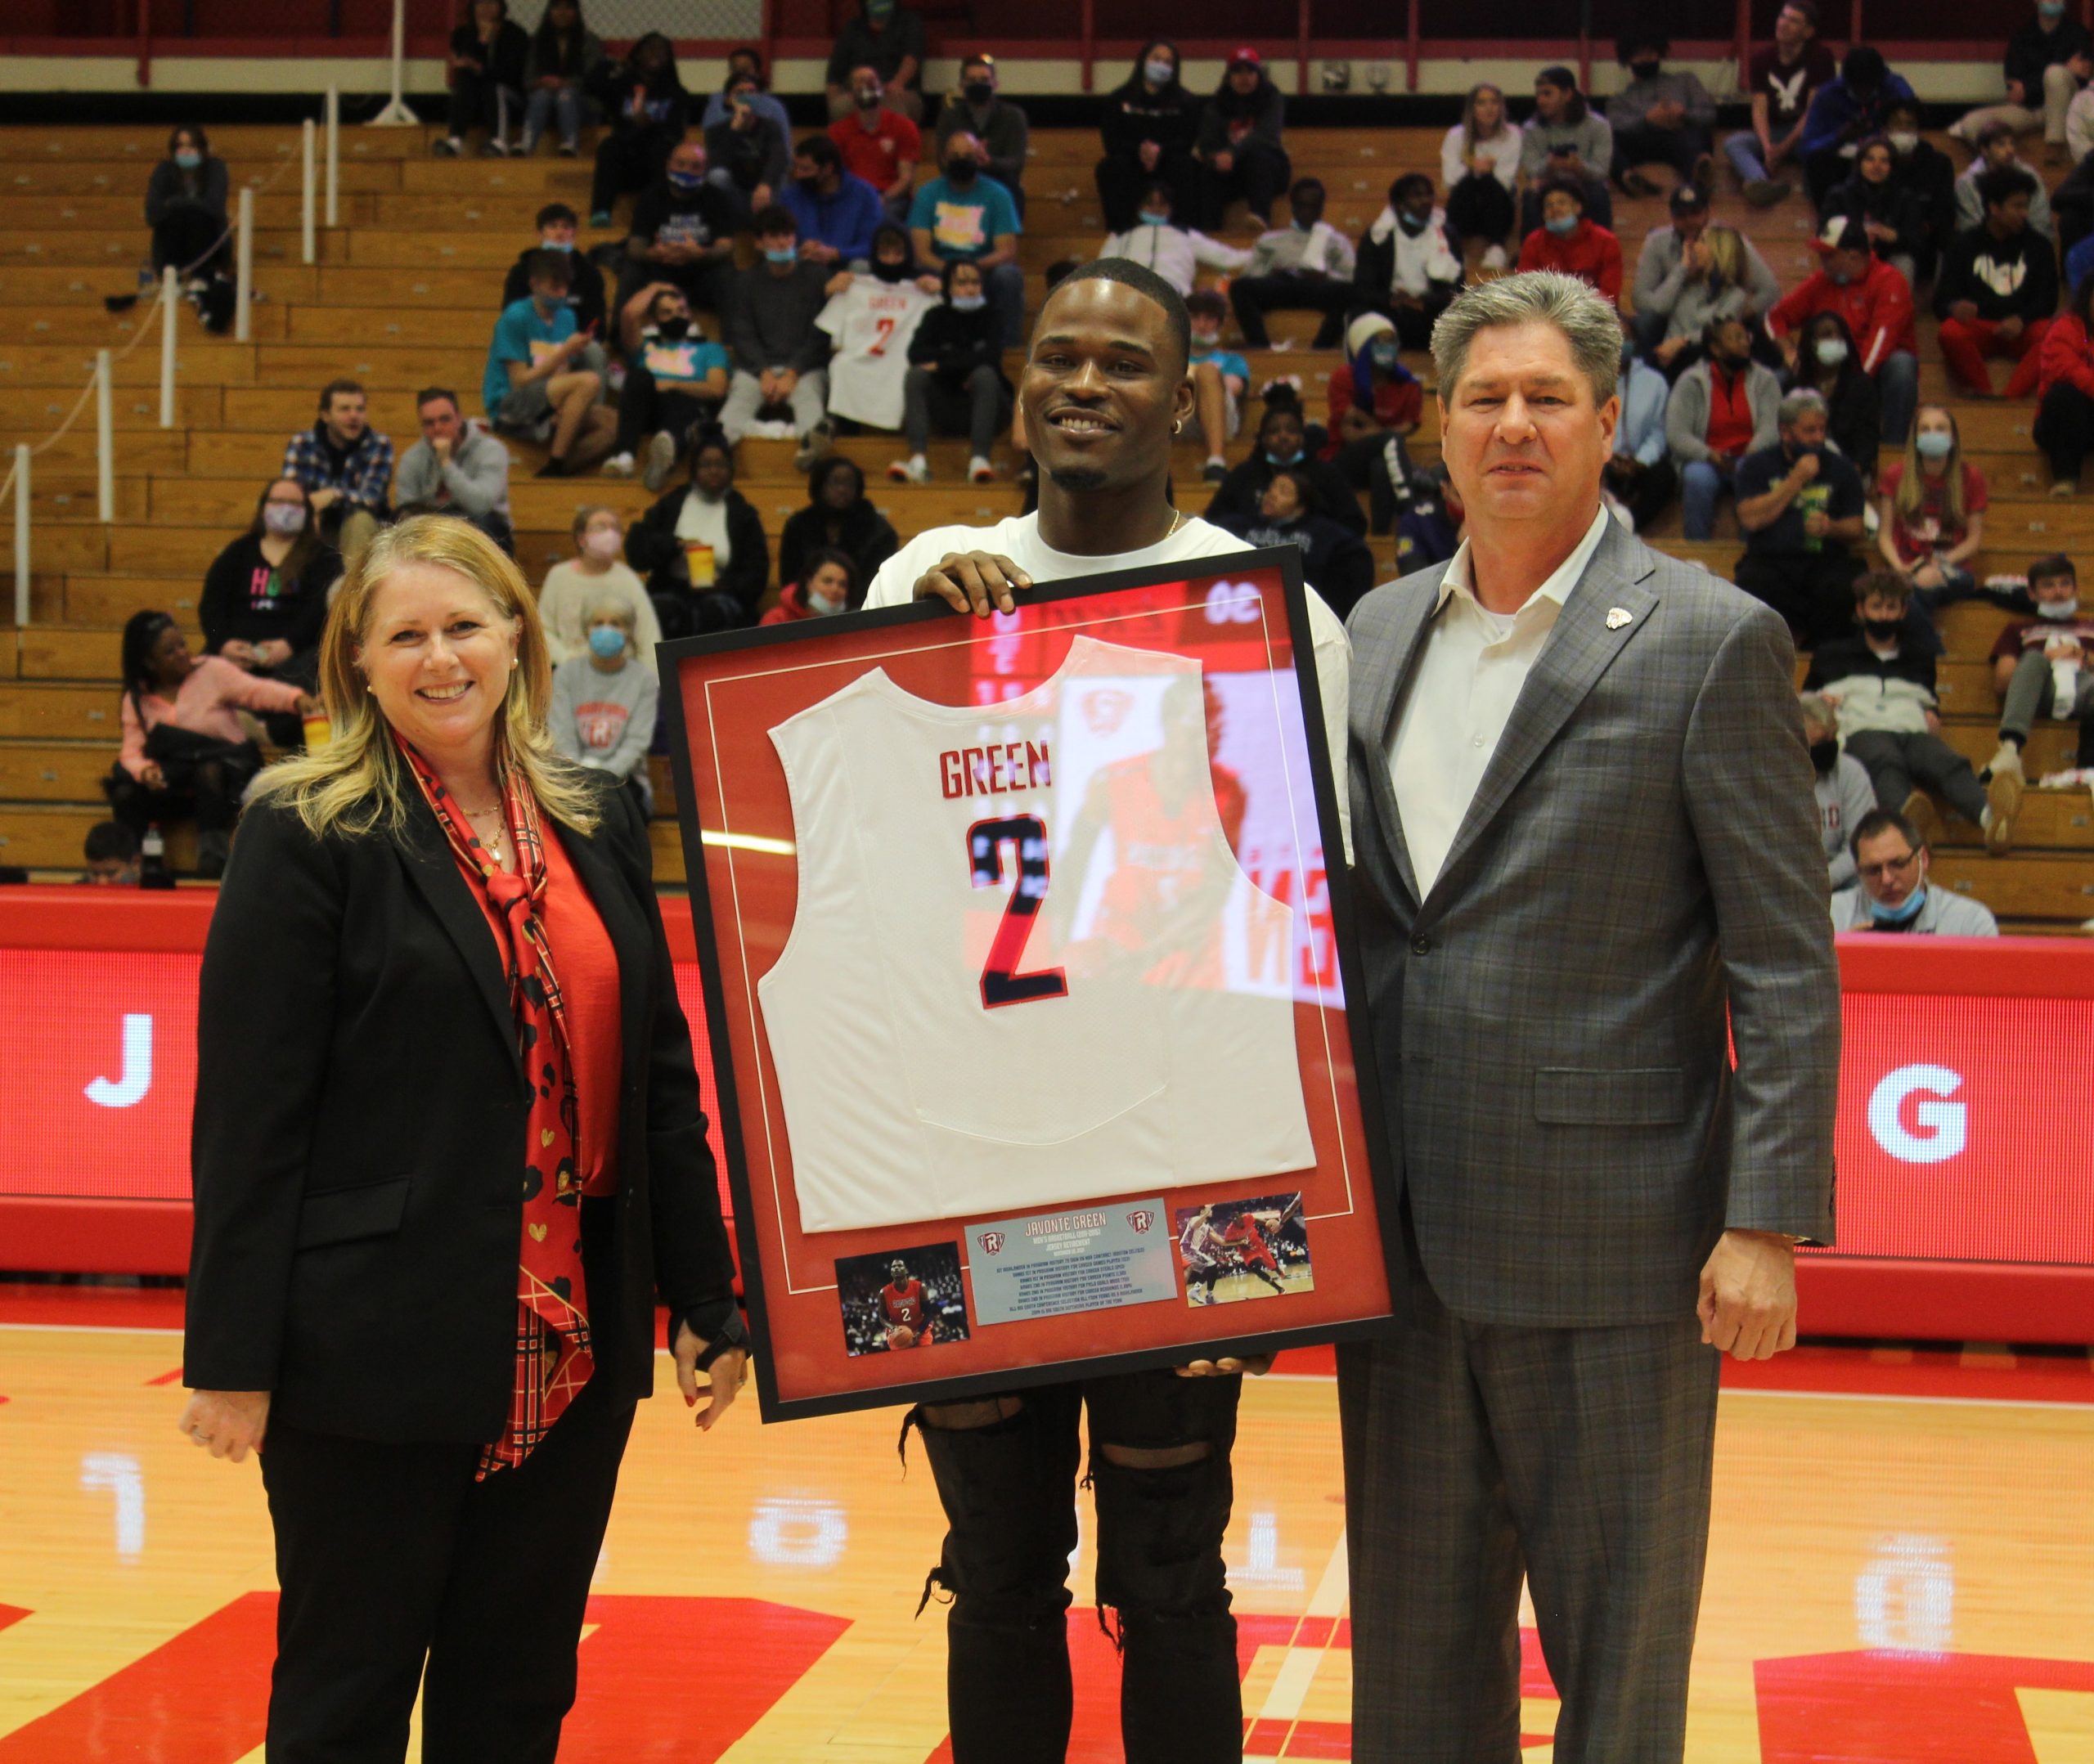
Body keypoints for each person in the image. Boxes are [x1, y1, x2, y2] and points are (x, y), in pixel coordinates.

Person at [861, 256, 1352, 1764]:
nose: (1086, 384)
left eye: (1125, 364)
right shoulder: (920, 582)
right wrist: (920, 656)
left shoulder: (1264, 615)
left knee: (1169, 1569)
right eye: (1058, 356)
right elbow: (865, 904)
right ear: (1017, 386)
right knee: (998, 1573)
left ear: (1188, 401)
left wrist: (1256, 1207)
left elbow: (1287, 920)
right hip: (966, 1162)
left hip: (1170, 1166)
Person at [1341, 267, 1836, 1762]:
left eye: (1547, 397)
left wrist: (1767, 1220)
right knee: (1414, 1684)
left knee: (1619, 1686)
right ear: (1436, 428)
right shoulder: (1365, 632)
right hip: (1402, 1244)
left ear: (1608, 423)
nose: (1512, 425)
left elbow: (1785, 961)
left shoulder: (1708, 638)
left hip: (1620, 1250)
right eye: (1482, 398)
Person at [177, 516, 747, 1758]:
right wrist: (230, 1355)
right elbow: (248, 1119)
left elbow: (659, 1078)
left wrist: (708, 1293)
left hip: (575, 1335)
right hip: (370, 1341)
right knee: (350, 1690)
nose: (441, 658)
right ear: (359, 665)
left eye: (465, 626)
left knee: (517, 1688)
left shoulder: (595, 810)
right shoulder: (305, 827)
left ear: (517, 641)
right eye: (406, 635)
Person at [104, 610, 316, 878]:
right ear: (148, 662)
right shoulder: (137, 699)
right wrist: (145, 771)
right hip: (175, 777)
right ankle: (132, 864)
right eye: (169, 652)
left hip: (226, 772)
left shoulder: (211, 671)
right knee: (125, 792)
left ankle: (213, 862)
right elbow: (131, 753)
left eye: (182, 644)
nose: (182, 653)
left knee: (209, 771)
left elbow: (256, 691)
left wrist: (296, 699)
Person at [1801, 570, 2000, 851]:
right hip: (1862, 730)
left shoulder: (1920, 657)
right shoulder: (1831, 655)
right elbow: (1806, 705)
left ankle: (1991, 819)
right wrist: (1824, 703)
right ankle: (1907, 835)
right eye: (1877, 607)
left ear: (1904, 610)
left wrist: (1934, 714)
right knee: (1885, 759)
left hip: (1912, 730)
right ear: (1861, 609)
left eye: (1891, 607)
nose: (1883, 615)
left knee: (1945, 760)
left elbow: (1929, 701)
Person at [1765, 213, 1917, 448]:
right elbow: (1774, 317)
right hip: (1824, 369)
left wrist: (1848, 385)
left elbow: (1880, 344)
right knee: (1775, 379)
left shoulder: (1889, 281)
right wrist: (1788, 351)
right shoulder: (1822, 280)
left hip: (1873, 374)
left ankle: (1892, 449)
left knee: (1902, 365)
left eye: (1828, 255)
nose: (1821, 260)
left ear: (1852, 255)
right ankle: (1777, 450)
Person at [199, 479, 341, 724]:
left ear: (306, 511)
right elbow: (211, 605)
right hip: (236, 653)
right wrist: (224, 643)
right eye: (278, 502)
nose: (286, 508)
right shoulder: (237, 553)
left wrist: (288, 645)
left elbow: (320, 610)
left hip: (295, 655)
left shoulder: (323, 558)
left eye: (294, 503)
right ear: (264, 507)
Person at [1734, 387, 1869, 646]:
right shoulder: (1757, 466)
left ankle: (1820, 653)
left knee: (1843, 588)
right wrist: (1796, 480)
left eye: (1822, 430)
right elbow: (1750, 519)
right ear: (1786, 432)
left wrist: (1831, 527)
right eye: (1810, 431)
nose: (1819, 438)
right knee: (1751, 582)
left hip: (1825, 562)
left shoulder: (1842, 469)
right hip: (1771, 562)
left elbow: (1856, 529)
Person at [484, 250, 617, 479]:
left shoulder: (566, 317)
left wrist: (562, 404)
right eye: (555, 287)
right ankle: (556, 460)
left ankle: (560, 467)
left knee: (614, 423)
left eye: (566, 287)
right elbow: (520, 380)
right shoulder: (515, 318)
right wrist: (564, 351)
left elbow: (563, 371)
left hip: (549, 397)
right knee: (589, 380)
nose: (562, 293)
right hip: (510, 403)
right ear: (535, 284)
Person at [1984, 553, 2094, 827]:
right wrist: (2046, 656)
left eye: (2064, 584)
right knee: (2033, 658)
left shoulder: (2091, 628)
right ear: (2032, 594)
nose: (2058, 592)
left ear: (2076, 588)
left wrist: (2081, 653)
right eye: (2048, 586)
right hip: (2039, 693)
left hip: (2087, 691)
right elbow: (2002, 683)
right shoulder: (2019, 630)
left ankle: (2087, 769)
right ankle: (2010, 751)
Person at [718, 207, 834, 463]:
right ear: (759, 243)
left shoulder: (816, 276)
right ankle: (717, 449)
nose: (783, 242)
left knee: (808, 397)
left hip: (805, 368)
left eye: (788, 235)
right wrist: (763, 371)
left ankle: (811, 448)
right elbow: (742, 333)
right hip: (756, 368)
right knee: (738, 401)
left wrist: (793, 372)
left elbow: (820, 333)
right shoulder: (745, 283)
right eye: (774, 236)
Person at [624, 431, 769, 635]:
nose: (713, 471)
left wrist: (721, 586)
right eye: (705, 465)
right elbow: (638, 548)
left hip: (723, 593)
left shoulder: (743, 513)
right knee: (661, 611)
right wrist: (676, 545)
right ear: (694, 469)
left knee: (714, 612)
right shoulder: (672, 503)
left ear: (730, 470)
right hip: (671, 589)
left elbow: (756, 573)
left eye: (720, 465)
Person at [1935, 168, 2059, 397]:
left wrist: (2022, 319)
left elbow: (2048, 300)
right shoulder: (1963, 244)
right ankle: (1985, 393)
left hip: (2021, 328)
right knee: (1950, 332)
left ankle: (2010, 398)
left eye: (2026, 206)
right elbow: (1942, 300)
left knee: (2052, 335)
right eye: (2017, 206)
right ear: (1994, 208)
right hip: (1979, 326)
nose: (2024, 213)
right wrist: (1955, 307)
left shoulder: (2039, 245)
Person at [891, 259, 1011, 485]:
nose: (970, 288)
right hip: (946, 404)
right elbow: (916, 354)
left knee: (984, 374)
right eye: (962, 282)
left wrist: (942, 364)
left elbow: (990, 357)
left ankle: (980, 459)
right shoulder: (936, 316)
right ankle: (918, 459)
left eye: (976, 282)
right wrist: (962, 363)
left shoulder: (993, 316)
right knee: (916, 375)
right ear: (949, 286)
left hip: (990, 407)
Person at [1631, 184, 1781, 363]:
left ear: (1709, 211)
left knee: (1755, 324)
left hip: (1719, 320)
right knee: (1646, 322)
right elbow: (1642, 301)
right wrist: (1682, 272)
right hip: (1673, 319)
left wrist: (1740, 314)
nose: (1689, 221)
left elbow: (1770, 290)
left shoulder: (1728, 241)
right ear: (1672, 217)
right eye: (1681, 215)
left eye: (1695, 213)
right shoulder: (1657, 242)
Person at [816, 224, 941, 435]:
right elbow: (825, 329)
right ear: (875, 254)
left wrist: (943, 288)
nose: (891, 260)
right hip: (862, 357)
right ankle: (843, 431)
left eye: (898, 253)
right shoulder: (854, 286)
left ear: (908, 253)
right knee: (841, 366)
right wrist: (825, 292)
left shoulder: (923, 289)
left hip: (902, 359)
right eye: (885, 254)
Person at [1666, 315, 1782, 539]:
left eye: (1745, 337)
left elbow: (1772, 427)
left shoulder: (1765, 380)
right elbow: (1677, 433)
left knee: (1751, 473)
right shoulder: (1691, 381)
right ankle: (1697, 553)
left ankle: (1751, 550)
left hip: (1751, 456)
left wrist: (1752, 451)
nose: (1745, 342)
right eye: (1735, 338)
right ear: (1716, 349)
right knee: (1696, 478)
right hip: (1707, 460)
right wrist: (1709, 454)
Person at [1208, 465, 1375, 617]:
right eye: (1271, 488)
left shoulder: (1322, 532)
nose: (1272, 495)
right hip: (1242, 607)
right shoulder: (1238, 525)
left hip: (1303, 613)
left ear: (1301, 504)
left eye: (1284, 491)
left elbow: (1358, 559)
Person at [603, 289, 729, 489]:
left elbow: (717, 389)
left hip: (687, 406)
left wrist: (674, 384)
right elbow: (629, 314)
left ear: (690, 314)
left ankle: (664, 455)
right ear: (654, 320)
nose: (676, 316)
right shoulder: (644, 347)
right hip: (649, 409)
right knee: (639, 375)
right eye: (667, 312)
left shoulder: (710, 349)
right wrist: (656, 286)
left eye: (681, 310)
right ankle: (625, 456)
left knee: (684, 403)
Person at [1875, 407, 1988, 618]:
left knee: (1918, 587)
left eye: (1940, 428)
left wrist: (1938, 563)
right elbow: (1884, 535)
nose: (1932, 434)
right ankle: (1932, 649)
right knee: (1906, 589)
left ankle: (1926, 649)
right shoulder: (1895, 474)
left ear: (1953, 437)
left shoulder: (1971, 476)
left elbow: (1973, 540)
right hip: (1905, 566)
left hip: (1954, 567)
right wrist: (1900, 567)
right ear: (1915, 437)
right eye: (1925, 429)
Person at [550, 595, 659, 815]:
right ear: (586, 629)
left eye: (615, 624)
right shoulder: (566, 675)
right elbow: (561, 736)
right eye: (598, 624)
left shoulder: (643, 680)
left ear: (628, 631)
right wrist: (581, 778)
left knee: (611, 811)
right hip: (573, 781)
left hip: (625, 783)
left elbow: (636, 744)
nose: (605, 630)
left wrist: (602, 778)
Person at [909, 148, 1025, 348]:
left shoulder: (998, 194)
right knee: (916, 275)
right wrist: (951, 274)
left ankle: (1008, 349)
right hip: (938, 268)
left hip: (983, 270)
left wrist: (968, 271)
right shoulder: (927, 193)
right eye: (955, 156)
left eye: (968, 156)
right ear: (944, 159)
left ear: (979, 159)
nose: (961, 161)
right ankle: (925, 346)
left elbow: (1007, 251)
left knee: (1008, 276)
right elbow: (921, 252)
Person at [1952, 0, 2093, 159]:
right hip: (2031, 109)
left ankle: (2056, 145)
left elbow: (2082, 77)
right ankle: (1998, 162)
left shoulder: (2079, 35)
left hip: (2066, 110)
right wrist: (2066, 68)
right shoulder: (2022, 37)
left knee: (2056, 74)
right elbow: (2015, 90)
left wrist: (2030, 86)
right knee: (1972, 124)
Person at [1228, 177, 1357, 349]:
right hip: (1281, 285)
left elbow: (1352, 277)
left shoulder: (1337, 241)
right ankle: (1259, 346)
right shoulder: (1270, 241)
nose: (1307, 211)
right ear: (1293, 206)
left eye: (1313, 206)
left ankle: (1321, 347)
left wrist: (1326, 276)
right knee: (1240, 288)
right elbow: (1249, 275)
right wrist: (1271, 271)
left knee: (1352, 293)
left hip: (1318, 287)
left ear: (1321, 208)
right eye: (1302, 205)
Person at [1728, 0, 1836, 206]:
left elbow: (1813, 112)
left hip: (1806, 133)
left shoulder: (1820, 57)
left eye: (1793, 21)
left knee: (1820, 150)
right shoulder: (1761, 58)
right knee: (1735, 143)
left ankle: (1811, 200)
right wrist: (1768, 148)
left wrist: (1784, 148)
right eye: (1782, 17)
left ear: (1808, 31)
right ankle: (1761, 184)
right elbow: (1759, 109)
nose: (1783, 24)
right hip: (1775, 131)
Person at [1207, 396, 1366, 536]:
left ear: (1302, 438)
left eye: (1291, 430)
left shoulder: (1326, 474)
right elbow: (1214, 521)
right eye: (1274, 431)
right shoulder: (1244, 474)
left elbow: (1354, 523)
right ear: (1263, 439)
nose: (1283, 436)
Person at [622, 138, 742, 318]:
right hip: (661, 275)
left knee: (726, 272)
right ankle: (619, 341)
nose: (687, 171)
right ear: (668, 165)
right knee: (632, 270)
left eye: (695, 166)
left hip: (702, 275)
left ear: (705, 169)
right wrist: (655, 253)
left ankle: (733, 343)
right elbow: (635, 247)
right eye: (681, 164)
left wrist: (701, 254)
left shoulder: (717, 198)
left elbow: (726, 246)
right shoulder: (651, 197)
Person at [1831, 807, 1999, 933]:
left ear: (1923, 859)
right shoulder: (1831, 918)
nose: (1887, 879)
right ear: (1858, 872)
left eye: (1898, 864)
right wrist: (1843, 955)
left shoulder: (1969, 923)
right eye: (1873, 870)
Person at [1095, 40, 1202, 236]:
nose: (1161, 65)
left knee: (1188, 167)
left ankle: (1181, 230)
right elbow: (1111, 141)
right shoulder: (1118, 99)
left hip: (1169, 160)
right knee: (1111, 167)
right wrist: (1140, 151)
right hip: (1131, 159)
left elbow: (1187, 140)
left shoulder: (1187, 102)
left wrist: (1160, 151)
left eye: (1168, 62)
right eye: (1156, 59)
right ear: (1143, 61)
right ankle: (1120, 231)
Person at [539, 506, 664, 671]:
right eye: (601, 527)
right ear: (581, 538)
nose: (609, 533)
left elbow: (649, 637)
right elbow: (544, 630)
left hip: (621, 672)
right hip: (571, 670)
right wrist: (564, 658)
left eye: (615, 528)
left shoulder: (628, 580)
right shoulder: (559, 577)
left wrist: (651, 683)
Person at [281, 379, 393, 559]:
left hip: (357, 527)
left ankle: (353, 586)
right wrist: (312, 511)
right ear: (325, 415)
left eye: (360, 409)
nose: (354, 416)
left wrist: (334, 495)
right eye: (345, 409)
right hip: (314, 523)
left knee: (360, 519)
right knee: (291, 519)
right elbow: (291, 496)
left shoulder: (378, 444)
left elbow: (372, 499)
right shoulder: (302, 444)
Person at [395, 387, 515, 553]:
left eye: (445, 419)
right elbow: (405, 509)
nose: (437, 428)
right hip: (431, 526)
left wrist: (445, 463)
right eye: (429, 423)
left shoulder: (491, 450)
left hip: (482, 527)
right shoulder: (412, 457)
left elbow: (480, 505)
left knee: (485, 525)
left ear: (459, 418)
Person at [586, 33, 686, 227]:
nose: (656, 54)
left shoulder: (675, 93)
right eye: (650, 48)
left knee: (663, 148)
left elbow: (676, 134)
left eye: (662, 51)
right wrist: (618, 66)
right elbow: (591, 85)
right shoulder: (621, 85)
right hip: (626, 162)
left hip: (657, 166)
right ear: (638, 54)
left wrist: (651, 124)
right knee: (609, 146)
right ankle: (601, 212)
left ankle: (662, 216)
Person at [1353, 173, 1463, 348]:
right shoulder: (1378, 236)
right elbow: (1363, 287)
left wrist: (1424, 301)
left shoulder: (1446, 234)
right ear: (1399, 205)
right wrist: (1394, 300)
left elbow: (1457, 289)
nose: (1426, 201)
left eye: (1428, 195)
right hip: (1389, 308)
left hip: (1429, 310)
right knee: (1361, 315)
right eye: (1417, 196)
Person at [1798, 45, 1915, 207]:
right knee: (1816, 162)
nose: (1864, 96)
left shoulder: (1894, 88)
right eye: (1858, 90)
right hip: (1841, 163)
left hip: (1883, 159)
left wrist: (1885, 138)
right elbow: (1807, 148)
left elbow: (1910, 116)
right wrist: (1840, 136)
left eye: (1869, 90)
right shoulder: (1827, 95)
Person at [1096, 179, 1251, 296]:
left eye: (1162, 204)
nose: (1156, 209)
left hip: (1174, 294)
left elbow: (1226, 258)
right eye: (1150, 204)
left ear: (1171, 208)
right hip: (1131, 294)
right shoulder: (1121, 235)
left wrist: (1262, 253)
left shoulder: (1186, 235)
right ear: (1139, 207)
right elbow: (1102, 268)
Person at [1608, 34, 1717, 198]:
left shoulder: (1685, 80)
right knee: (1607, 140)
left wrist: (1684, 114)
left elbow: (1709, 115)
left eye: (1650, 53)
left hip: (1681, 136)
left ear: (1660, 54)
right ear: (1628, 59)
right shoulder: (1621, 99)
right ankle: (1628, 178)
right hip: (1643, 141)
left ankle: (1700, 175)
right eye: (1639, 55)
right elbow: (1615, 124)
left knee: (1697, 135)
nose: (1645, 59)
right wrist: (1647, 119)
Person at [1195, 48, 1289, 230]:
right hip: (1231, 171)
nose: (1244, 78)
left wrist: (1233, 153)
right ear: (1229, 76)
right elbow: (1206, 143)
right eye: (1238, 71)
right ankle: (1208, 231)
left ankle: (1260, 218)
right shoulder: (1217, 104)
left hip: (1267, 171)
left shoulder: (1271, 97)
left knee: (1260, 158)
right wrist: (1216, 158)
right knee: (1207, 173)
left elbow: (1267, 135)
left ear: (1258, 75)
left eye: (1250, 72)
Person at [1326, 312, 1424, 483]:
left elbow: (1409, 425)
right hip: (1346, 456)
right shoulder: (1344, 378)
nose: (1388, 347)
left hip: (1386, 461)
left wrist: (1376, 432)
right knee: (1390, 442)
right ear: (1363, 346)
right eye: (1380, 342)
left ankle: (1405, 503)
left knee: (1381, 466)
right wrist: (1385, 435)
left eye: (1391, 341)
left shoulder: (1409, 385)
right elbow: (1348, 433)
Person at [1821, 135, 1927, 290]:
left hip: (1889, 255)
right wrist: (1858, 235)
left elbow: (1918, 241)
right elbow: (1824, 235)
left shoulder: (1905, 197)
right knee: (1838, 260)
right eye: (1870, 159)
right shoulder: (1839, 195)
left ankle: (1896, 311)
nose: (1876, 166)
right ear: (1860, 163)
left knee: (1905, 261)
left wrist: (1895, 236)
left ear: (1892, 166)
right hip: (1851, 255)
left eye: (1884, 161)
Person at [1519, 66, 1614, 236]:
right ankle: (1531, 256)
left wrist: (1579, 168)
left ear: (1568, 94)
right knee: (1531, 195)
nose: (1540, 100)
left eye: (1547, 94)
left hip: (1584, 185)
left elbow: (1601, 171)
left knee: (1599, 193)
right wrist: (1549, 165)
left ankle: (1601, 252)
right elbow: (1531, 170)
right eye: (1538, 95)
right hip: (1548, 185)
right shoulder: (1531, 129)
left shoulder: (1598, 126)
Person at [1789, 308, 1882, 480]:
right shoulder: (1797, 387)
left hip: (1850, 472)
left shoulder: (1861, 386)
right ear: (1811, 343)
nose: (1834, 339)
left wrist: (1853, 473)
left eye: (1839, 336)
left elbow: (1868, 441)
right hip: (1802, 471)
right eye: (1826, 335)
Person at [780, 456, 896, 590]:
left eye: (849, 483)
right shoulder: (798, 525)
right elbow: (789, 578)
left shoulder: (879, 530)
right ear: (820, 486)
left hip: (862, 607)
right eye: (835, 482)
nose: (842, 490)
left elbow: (879, 582)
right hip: (806, 606)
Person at [1799, 692, 1877, 891]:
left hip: (1841, 882)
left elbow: (1858, 846)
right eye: (1820, 741)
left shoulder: (1851, 773)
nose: (1830, 745)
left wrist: (1821, 882)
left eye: (1833, 736)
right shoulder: (1776, 779)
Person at [1440, 83, 1521, 271]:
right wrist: (1473, 168)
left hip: (1497, 203)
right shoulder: (1456, 136)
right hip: (1466, 202)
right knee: (1468, 183)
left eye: (1494, 102)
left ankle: (1496, 247)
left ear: (1501, 107)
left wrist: (1478, 168)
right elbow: (1450, 179)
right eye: (1482, 103)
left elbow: (1505, 179)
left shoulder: (1512, 135)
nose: (1489, 108)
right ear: (1472, 108)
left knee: (1488, 183)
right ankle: (1456, 249)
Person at [937, 55, 1029, 220]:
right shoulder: (949, 116)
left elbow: (1016, 161)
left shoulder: (1013, 116)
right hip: (958, 179)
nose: (978, 84)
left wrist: (989, 161)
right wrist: (966, 158)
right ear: (961, 85)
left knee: (1012, 190)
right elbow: (942, 160)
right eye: (972, 80)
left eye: (984, 79)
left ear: (995, 84)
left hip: (1000, 182)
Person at [829, 61, 922, 224]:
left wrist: (881, 199)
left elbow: (906, 178)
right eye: (860, 81)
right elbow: (837, 177)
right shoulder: (837, 132)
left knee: (881, 217)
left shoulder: (904, 127)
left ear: (881, 88)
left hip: (891, 198)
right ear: (850, 94)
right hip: (853, 197)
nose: (866, 85)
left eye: (871, 80)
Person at [1604, 326, 1677, 532]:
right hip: (1603, 459)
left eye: (1625, 337)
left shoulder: (1655, 382)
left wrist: (1640, 461)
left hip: (1640, 463)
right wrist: (1609, 458)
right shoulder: (1590, 381)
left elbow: (1659, 432)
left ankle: (1629, 528)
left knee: (1665, 476)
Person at [436, 0, 528, 159]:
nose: (486, 7)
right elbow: (457, 72)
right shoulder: (461, 34)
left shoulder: (515, 33)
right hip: (474, 98)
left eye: (491, 2)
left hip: (508, 97)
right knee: (465, 82)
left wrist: (481, 63)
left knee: (494, 87)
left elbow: (511, 74)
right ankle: (455, 140)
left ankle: (499, 141)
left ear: (501, 7)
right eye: (480, 3)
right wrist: (480, 46)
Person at [1881, 97, 1961, 275]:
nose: (1903, 129)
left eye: (1910, 125)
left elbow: (1945, 209)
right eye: (1897, 124)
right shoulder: (1875, 162)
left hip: (1927, 239)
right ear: (1885, 129)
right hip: (1888, 241)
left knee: (1952, 243)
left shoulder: (1939, 163)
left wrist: (1924, 227)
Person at [503, 203, 608, 337]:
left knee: (594, 352)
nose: (560, 233)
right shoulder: (521, 271)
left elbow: (596, 320)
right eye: (552, 226)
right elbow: (511, 315)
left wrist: (577, 342)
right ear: (539, 233)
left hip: (576, 344)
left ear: (574, 233)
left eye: (566, 227)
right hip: (531, 340)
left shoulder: (590, 274)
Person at [1516, 177, 1624, 307]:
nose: (1555, 209)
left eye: (1562, 203)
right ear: (1544, 215)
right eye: (1549, 205)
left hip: (1595, 314)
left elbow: (1610, 296)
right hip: (1547, 315)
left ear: (1578, 208)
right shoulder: (1533, 242)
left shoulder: (1605, 241)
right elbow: (1525, 290)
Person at [783, 134, 884, 268]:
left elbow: (872, 245)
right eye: (796, 167)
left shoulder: (865, 195)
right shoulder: (790, 196)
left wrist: (837, 254)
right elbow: (774, 244)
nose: (798, 174)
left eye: (805, 169)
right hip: (801, 270)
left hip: (848, 271)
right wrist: (797, 252)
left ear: (828, 169)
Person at [2034, 267, 2094, 494]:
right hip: (2065, 421)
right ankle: (2065, 479)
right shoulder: (2065, 327)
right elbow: (2068, 370)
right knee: (2064, 396)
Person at [519, 0, 601, 158]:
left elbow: (594, 78)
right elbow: (528, 79)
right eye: (557, 8)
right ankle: (527, 145)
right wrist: (542, 82)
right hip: (545, 101)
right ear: (550, 12)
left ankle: (570, 144)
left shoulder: (589, 41)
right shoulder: (537, 41)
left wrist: (567, 84)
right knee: (541, 95)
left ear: (576, 13)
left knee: (566, 95)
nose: (562, 13)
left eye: (568, 8)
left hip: (582, 103)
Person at [146, 124, 228, 281]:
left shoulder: (215, 168)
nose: (186, 151)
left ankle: (202, 277)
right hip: (172, 242)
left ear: (202, 148)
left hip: (208, 240)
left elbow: (215, 208)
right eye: (181, 146)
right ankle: (172, 278)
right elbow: (152, 213)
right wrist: (186, 205)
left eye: (191, 146)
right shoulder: (164, 170)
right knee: (175, 218)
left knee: (195, 216)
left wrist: (175, 203)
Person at [1185, 289, 1251, 483]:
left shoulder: (1233, 360)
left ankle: (1216, 461)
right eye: (1196, 317)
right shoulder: (1172, 358)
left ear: (1220, 323)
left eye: (1209, 318)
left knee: (1207, 372)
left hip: (1220, 415)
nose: (1202, 325)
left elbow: (1233, 388)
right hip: (1181, 415)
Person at [824, 0, 926, 123]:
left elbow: (912, 58)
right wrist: (834, 107)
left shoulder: (910, 23)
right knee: (841, 107)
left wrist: (897, 83)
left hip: (899, 92)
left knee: (895, 108)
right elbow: (834, 75)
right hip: (859, 93)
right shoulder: (852, 28)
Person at [703, 70, 789, 214]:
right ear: (729, 99)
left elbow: (779, 158)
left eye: (751, 92)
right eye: (740, 92)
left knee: (780, 177)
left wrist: (765, 184)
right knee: (717, 176)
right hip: (735, 192)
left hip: (763, 188)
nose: (747, 97)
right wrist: (735, 129)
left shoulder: (770, 126)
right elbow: (716, 163)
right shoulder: (716, 130)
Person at [1960, 118, 2060, 239]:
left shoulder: (2029, 175)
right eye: (2001, 144)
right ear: (1984, 150)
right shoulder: (1967, 182)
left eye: (2012, 143)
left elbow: (2041, 221)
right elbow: (1970, 226)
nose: (2010, 150)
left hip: (2026, 242)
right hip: (1983, 246)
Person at [699, 46, 792, 139]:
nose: (740, 74)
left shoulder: (773, 107)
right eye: (735, 70)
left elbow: (783, 143)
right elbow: (709, 136)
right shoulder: (717, 101)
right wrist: (728, 108)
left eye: (746, 69)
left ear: (757, 72)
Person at [762, 545, 859, 624]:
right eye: (827, 581)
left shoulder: (854, 624)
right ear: (809, 582)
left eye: (842, 585)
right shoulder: (777, 620)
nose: (835, 589)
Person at [83, 819, 142, 886]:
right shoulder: (77, 893)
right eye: (95, 874)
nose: (102, 882)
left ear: (136, 863)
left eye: (111, 873)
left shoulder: (154, 894)